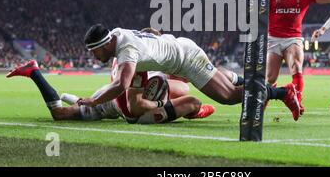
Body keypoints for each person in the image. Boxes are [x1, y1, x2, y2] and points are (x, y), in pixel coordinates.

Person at [79, 24, 302, 121]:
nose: (95, 57)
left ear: (105, 45)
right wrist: (154, 36)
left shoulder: (126, 51)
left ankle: (282, 93)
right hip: (178, 52)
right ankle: (267, 89)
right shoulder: (117, 33)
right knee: (222, 80)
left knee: (229, 96)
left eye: (95, 51)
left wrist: (93, 100)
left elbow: (120, 85)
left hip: (186, 59)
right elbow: (145, 32)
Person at [6, 59, 215, 123]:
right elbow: (135, 105)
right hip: (118, 106)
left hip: (109, 99)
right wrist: (161, 104)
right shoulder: (140, 65)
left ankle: (77, 99)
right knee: (191, 100)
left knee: (184, 94)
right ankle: (34, 71)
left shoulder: (131, 57)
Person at [266, 0, 330, 115]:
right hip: (272, 39)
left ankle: (297, 102)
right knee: (270, 77)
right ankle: (263, 103)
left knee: (296, 67)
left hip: (293, 38)